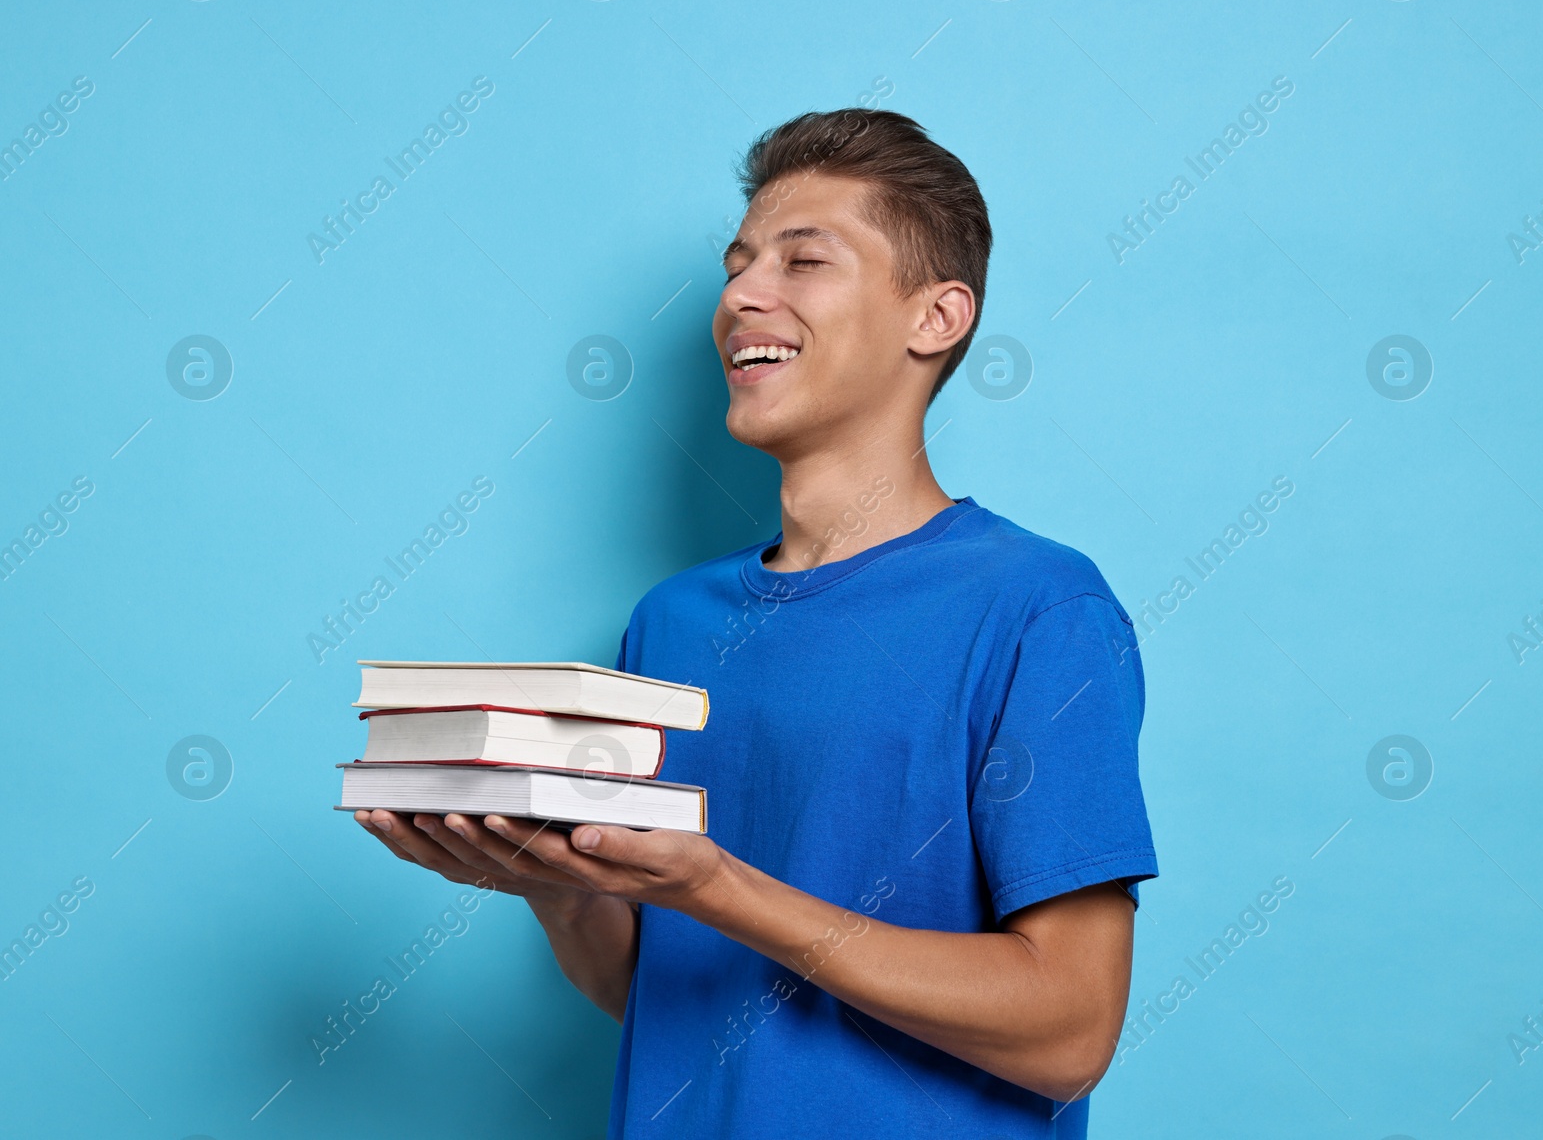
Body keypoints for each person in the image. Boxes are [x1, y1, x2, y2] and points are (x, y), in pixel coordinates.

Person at [355, 108, 1158, 1138]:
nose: (741, 295)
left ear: (936, 317)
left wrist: (719, 885)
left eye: (803, 259)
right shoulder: (671, 623)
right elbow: (660, 993)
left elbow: (1070, 1032)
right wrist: (550, 885)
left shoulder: (1039, 608)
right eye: (737, 264)